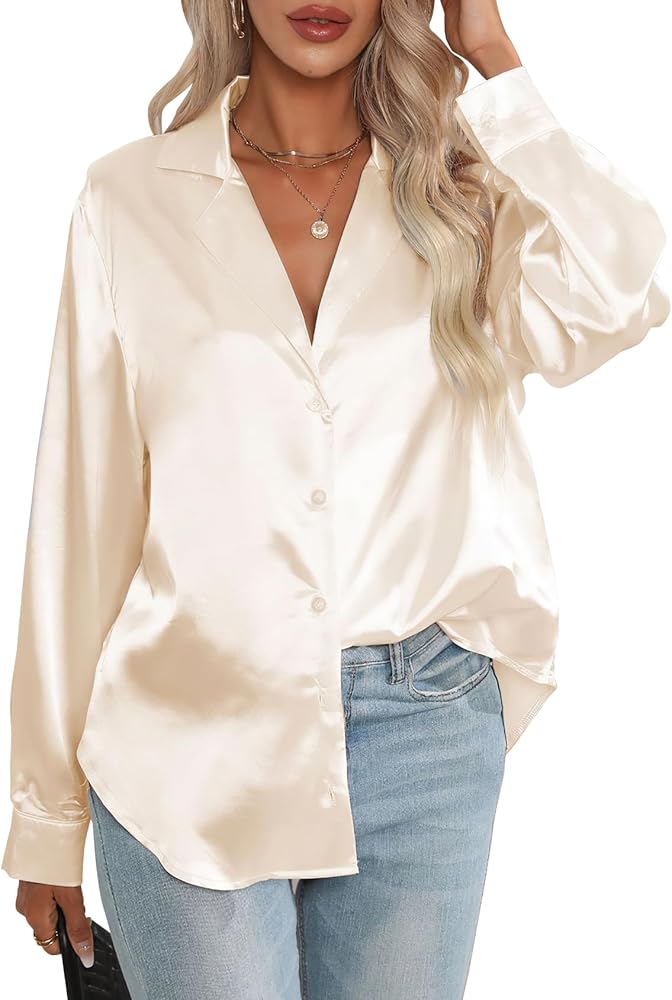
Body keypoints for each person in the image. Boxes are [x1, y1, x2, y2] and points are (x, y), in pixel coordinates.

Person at [2, 0, 669, 997]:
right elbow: (81, 519)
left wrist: (490, 49)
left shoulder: (467, 189)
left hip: (426, 732)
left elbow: (623, 293)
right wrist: (45, 814)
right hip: (187, 740)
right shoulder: (128, 200)